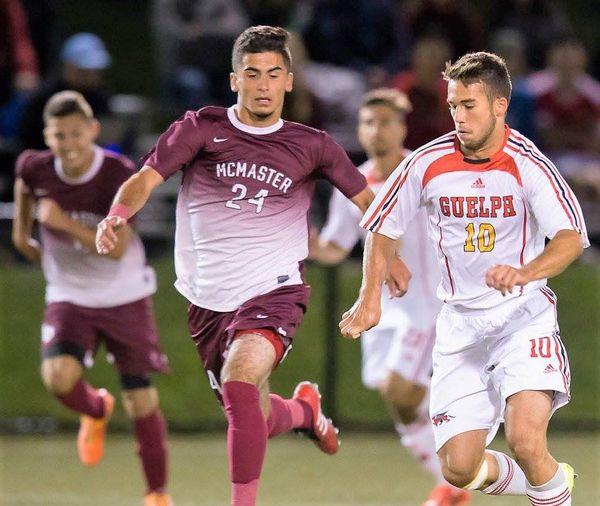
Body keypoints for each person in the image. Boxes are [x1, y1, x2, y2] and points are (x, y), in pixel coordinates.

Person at [95, 26, 376, 506]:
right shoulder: (201, 128)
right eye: (252, 74)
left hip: (275, 289)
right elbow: (144, 178)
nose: (263, 84)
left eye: (273, 74)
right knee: (252, 414)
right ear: (233, 80)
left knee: (240, 380)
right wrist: (117, 215)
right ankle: (305, 413)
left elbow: (373, 206)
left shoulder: (314, 145)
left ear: (289, 80)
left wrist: (392, 261)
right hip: (208, 298)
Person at [340, 52, 588, 506]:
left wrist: (526, 271)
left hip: (522, 318)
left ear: (499, 106)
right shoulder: (428, 161)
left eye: (469, 105)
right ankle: (552, 480)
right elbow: (382, 225)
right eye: (453, 105)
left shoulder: (528, 162)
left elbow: (571, 238)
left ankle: (545, 481)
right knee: (459, 469)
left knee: (525, 440)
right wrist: (369, 298)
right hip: (458, 326)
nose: (459, 116)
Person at [310, 88, 470, 506]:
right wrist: (302, 239)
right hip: (383, 311)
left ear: (402, 127)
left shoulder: (425, 173)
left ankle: (471, 430)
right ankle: (451, 483)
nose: (376, 130)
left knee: (402, 391)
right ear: (359, 130)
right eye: (368, 122)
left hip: (429, 308)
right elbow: (334, 248)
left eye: (385, 121)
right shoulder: (355, 186)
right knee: (395, 399)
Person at [12, 91, 172, 506]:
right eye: (59, 135)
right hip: (70, 294)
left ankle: (156, 493)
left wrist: (61, 224)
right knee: (57, 378)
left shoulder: (117, 173)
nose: (68, 143)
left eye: (76, 133)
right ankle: (96, 408)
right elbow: (25, 184)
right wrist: (22, 232)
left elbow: (115, 248)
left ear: (93, 131)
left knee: (140, 398)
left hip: (124, 294)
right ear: (47, 136)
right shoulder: (35, 166)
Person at [18, 32, 112, 150]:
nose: (92, 76)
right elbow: (28, 139)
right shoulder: (43, 97)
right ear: (68, 65)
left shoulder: (100, 98)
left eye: (96, 71)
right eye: (84, 70)